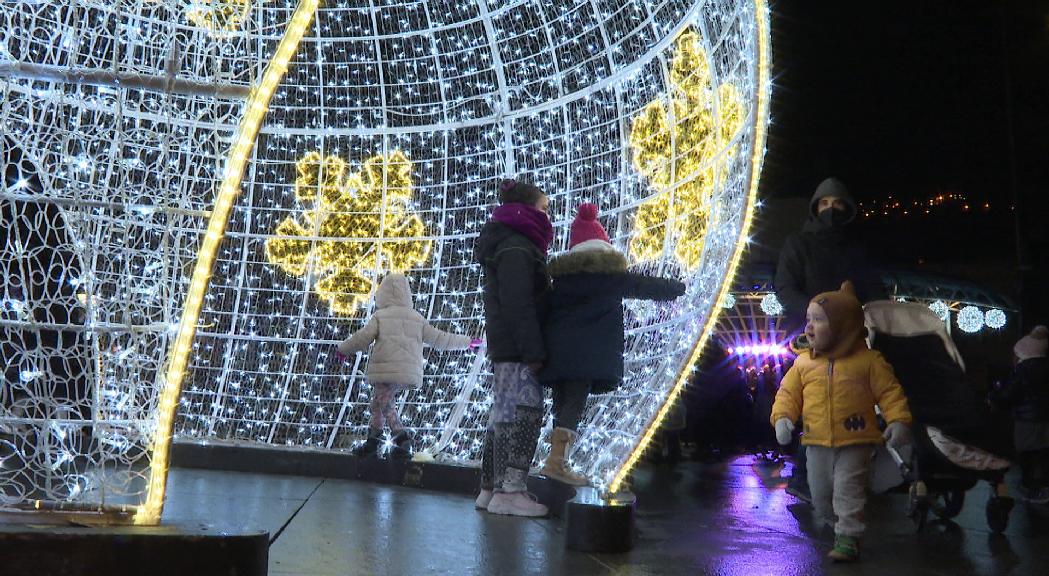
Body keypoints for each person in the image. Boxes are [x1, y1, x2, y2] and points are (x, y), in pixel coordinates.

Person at [538, 203, 685, 484]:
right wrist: (678, 289)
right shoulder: (609, 279)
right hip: (587, 355)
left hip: (557, 354)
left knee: (562, 405)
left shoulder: (559, 280)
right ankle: (556, 464)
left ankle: (555, 461)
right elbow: (644, 286)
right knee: (574, 406)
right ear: (604, 249)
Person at [771, 281, 912, 562]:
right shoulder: (803, 364)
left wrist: (898, 420)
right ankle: (840, 527)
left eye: (818, 320)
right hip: (816, 441)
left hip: (856, 441)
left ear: (843, 326)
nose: (809, 327)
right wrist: (783, 417)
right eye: (808, 319)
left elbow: (889, 392)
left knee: (847, 488)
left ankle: (848, 536)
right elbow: (788, 393)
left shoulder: (869, 361)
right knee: (821, 493)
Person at [774, 177, 887, 502]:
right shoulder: (798, 243)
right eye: (824, 204)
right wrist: (816, 312)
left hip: (849, 338)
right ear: (815, 208)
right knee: (819, 403)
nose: (831, 210)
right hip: (808, 335)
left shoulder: (856, 249)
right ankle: (804, 476)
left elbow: (873, 288)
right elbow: (785, 288)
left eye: (837, 204)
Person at [473, 179, 553, 517]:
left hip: (505, 345)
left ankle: (490, 489)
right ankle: (511, 490)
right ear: (529, 209)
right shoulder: (518, 246)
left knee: (503, 416)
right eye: (545, 209)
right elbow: (519, 303)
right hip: (517, 348)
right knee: (525, 415)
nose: (548, 217)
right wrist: (534, 350)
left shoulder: (505, 242)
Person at [337, 273, 480, 458]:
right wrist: (467, 342)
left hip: (385, 370)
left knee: (386, 406)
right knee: (378, 404)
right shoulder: (417, 318)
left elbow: (362, 338)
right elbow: (440, 338)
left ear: (383, 293)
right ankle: (373, 443)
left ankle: (401, 439)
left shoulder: (380, 316)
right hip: (407, 373)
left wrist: (342, 350)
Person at [992, 325, 1049, 502]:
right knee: (1043, 453)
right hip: (1045, 418)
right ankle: (1042, 486)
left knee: (1027, 455)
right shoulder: (1045, 366)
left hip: (1027, 420)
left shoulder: (1023, 370)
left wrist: (996, 396)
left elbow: (1009, 394)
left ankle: (1032, 488)